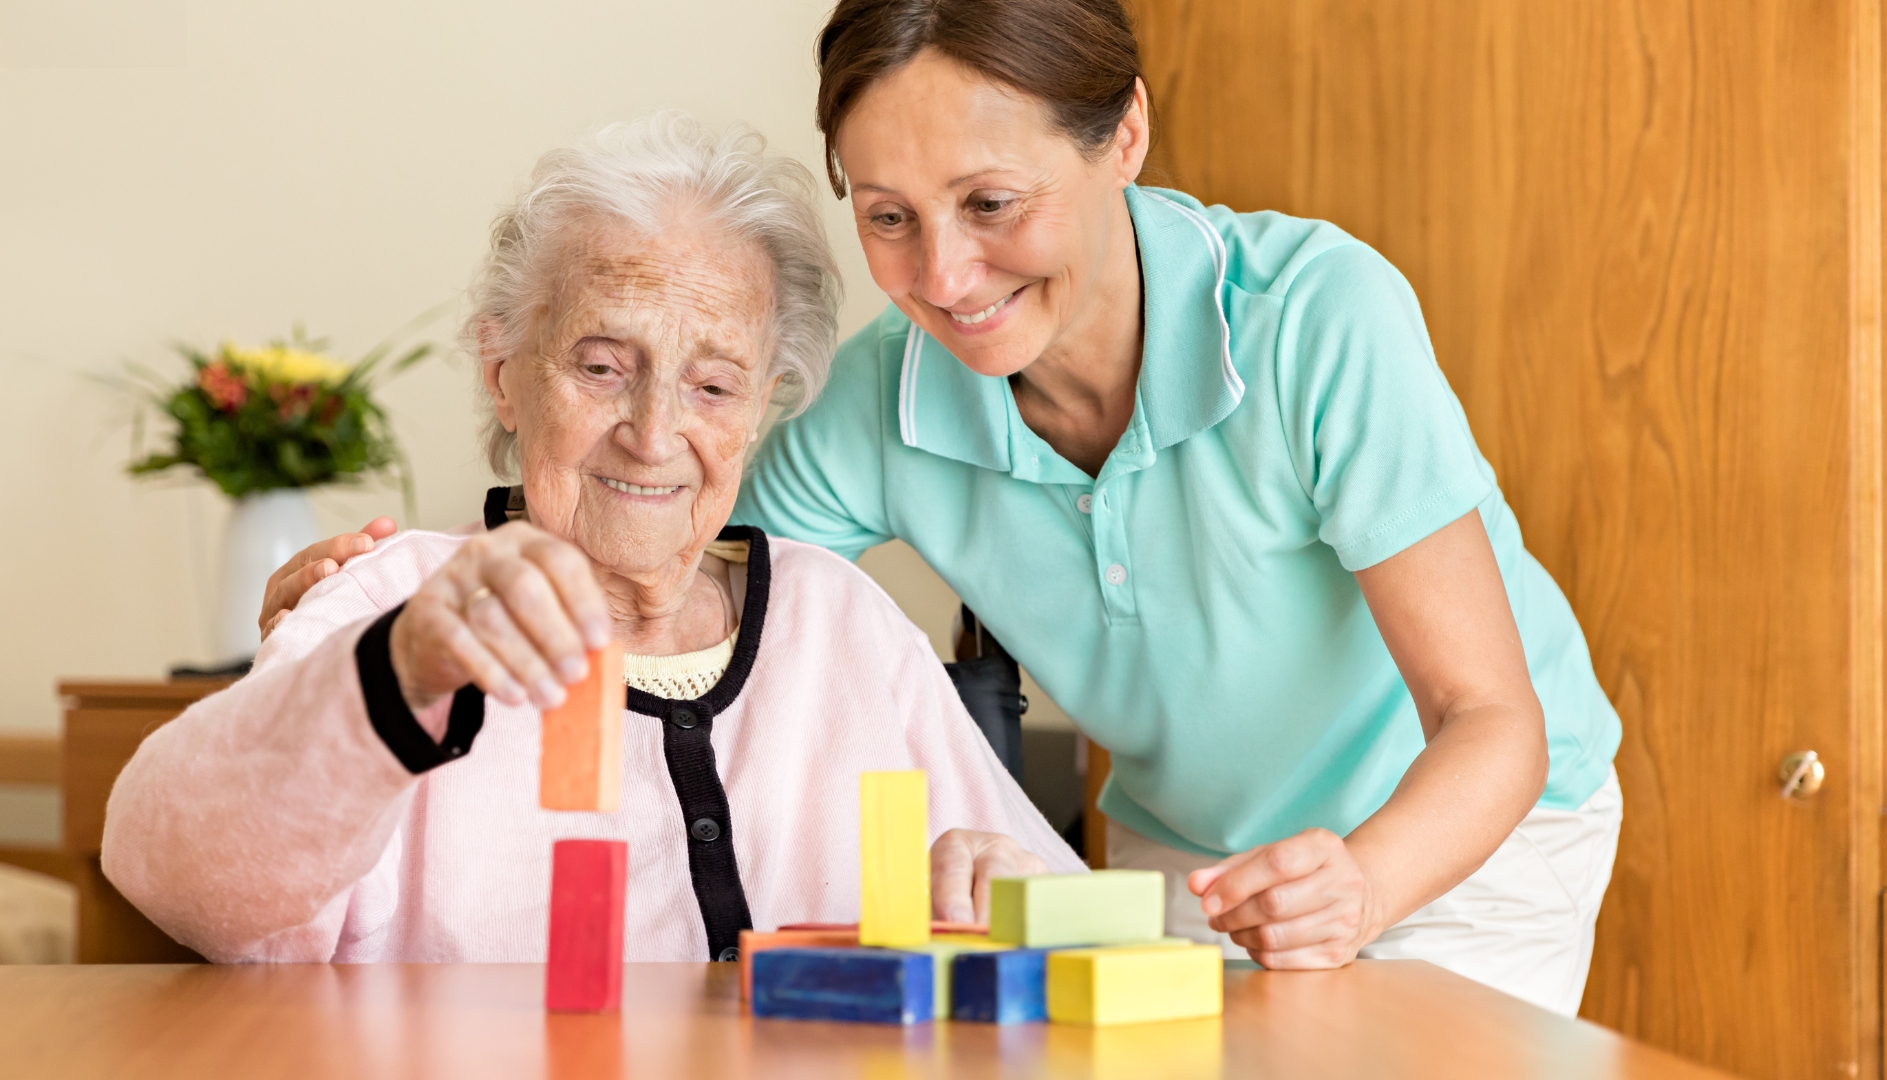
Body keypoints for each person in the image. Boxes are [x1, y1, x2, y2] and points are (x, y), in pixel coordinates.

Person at [268, 0, 1624, 1016]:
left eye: (990, 202)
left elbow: (1490, 721)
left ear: (1125, 136)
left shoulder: (1317, 320)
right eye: (889, 214)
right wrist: (394, 594)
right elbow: (646, 530)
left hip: (1462, 836)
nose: (947, 273)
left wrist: (1368, 888)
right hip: (1187, 849)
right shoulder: (884, 399)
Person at [102, 115, 1078, 966]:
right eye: (604, 366)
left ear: (760, 408)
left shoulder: (840, 624)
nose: (654, 435)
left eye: (713, 386)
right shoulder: (396, 604)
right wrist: (391, 676)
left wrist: (1022, 897)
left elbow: (1071, 913)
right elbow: (172, 874)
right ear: (503, 373)